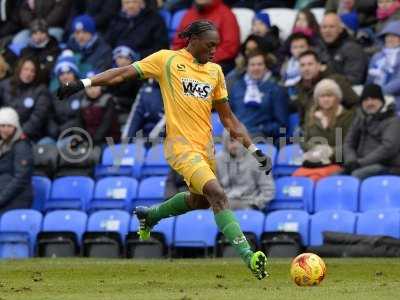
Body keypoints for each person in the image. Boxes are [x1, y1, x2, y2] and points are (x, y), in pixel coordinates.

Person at [58, 20, 272, 280]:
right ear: (193, 40)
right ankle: (250, 257)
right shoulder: (166, 60)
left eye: (217, 46)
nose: (215, 51)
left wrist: (254, 150)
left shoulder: (215, 72)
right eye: (210, 45)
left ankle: (151, 215)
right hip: (180, 147)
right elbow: (123, 73)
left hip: (206, 149)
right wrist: (84, 83)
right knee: (218, 194)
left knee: (200, 201)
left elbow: (228, 119)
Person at [294, 79, 354, 181]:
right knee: (296, 179)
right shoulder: (311, 116)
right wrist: (317, 150)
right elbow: (304, 140)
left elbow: (350, 144)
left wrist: (330, 152)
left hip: (338, 163)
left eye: (329, 96)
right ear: (317, 99)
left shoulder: (347, 117)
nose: (326, 99)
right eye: (322, 96)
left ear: (337, 98)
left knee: (315, 179)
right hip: (314, 162)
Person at [344, 84, 400, 179]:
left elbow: (389, 148)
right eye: (366, 100)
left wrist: (359, 163)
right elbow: (348, 142)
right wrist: (351, 161)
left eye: (374, 99)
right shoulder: (360, 118)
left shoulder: (392, 120)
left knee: (356, 175)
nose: (369, 103)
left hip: (386, 165)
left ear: (382, 101)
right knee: (333, 177)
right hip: (358, 163)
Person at [229, 51, 289, 141]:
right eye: (252, 65)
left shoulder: (275, 89)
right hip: (234, 137)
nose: (256, 68)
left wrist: (261, 129)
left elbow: (281, 125)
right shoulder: (237, 87)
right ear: (247, 67)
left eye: (260, 64)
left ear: (265, 67)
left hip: (260, 138)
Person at [172, 0, 240, 73]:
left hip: (216, 64)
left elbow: (229, 47)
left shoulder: (226, 15)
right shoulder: (189, 14)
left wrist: (201, 60)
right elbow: (178, 43)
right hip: (188, 63)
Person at [294, 50, 359, 125]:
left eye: (310, 64)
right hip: (313, 130)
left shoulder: (335, 81)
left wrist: (346, 123)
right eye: (302, 65)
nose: (306, 68)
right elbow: (302, 118)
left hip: (338, 127)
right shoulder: (299, 87)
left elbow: (356, 105)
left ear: (319, 66)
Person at [216, 130, 274, 210]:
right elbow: (213, 189)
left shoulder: (258, 159)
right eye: (231, 141)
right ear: (225, 142)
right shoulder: (217, 160)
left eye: (239, 141)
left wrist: (255, 204)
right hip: (224, 204)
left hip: (248, 203)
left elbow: (268, 190)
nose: (235, 145)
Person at [0, 56, 51, 142]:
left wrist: (20, 133)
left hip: (26, 136)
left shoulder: (41, 91)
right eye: (26, 69)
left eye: (32, 71)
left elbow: (37, 118)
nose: (28, 73)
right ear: (20, 69)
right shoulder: (4, 85)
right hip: (2, 130)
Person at [319, 13, 368, 85]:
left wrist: (327, 76)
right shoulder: (320, 48)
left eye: (331, 27)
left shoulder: (353, 49)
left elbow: (354, 79)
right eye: (324, 27)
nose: (327, 30)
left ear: (340, 29)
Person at [0, 107, 33, 214]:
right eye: (2, 126)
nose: (5, 129)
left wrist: (1, 199)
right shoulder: (3, 144)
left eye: (9, 126)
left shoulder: (22, 145)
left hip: (16, 199)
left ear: (15, 127)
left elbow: (21, 179)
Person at [367, 21, 400, 108]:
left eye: (394, 36)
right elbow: (369, 79)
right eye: (388, 36)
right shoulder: (377, 56)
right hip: (375, 96)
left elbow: (398, 82)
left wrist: (379, 92)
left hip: (396, 98)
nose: (390, 39)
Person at [107, 46, 143, 123]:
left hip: (128, 113)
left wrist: (117, 101)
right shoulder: (108, 75)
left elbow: (138, 101)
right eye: (120, 57)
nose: (123, 61)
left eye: (127, 58)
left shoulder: (136, 79)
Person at [20, 19, 61, 85]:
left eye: (42, 33)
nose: (38, 37)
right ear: (31, 35)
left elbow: (49, 71)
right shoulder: (25, 51)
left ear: (47, 34)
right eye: (35, 33)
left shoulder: (55, 50)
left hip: (45, 83)